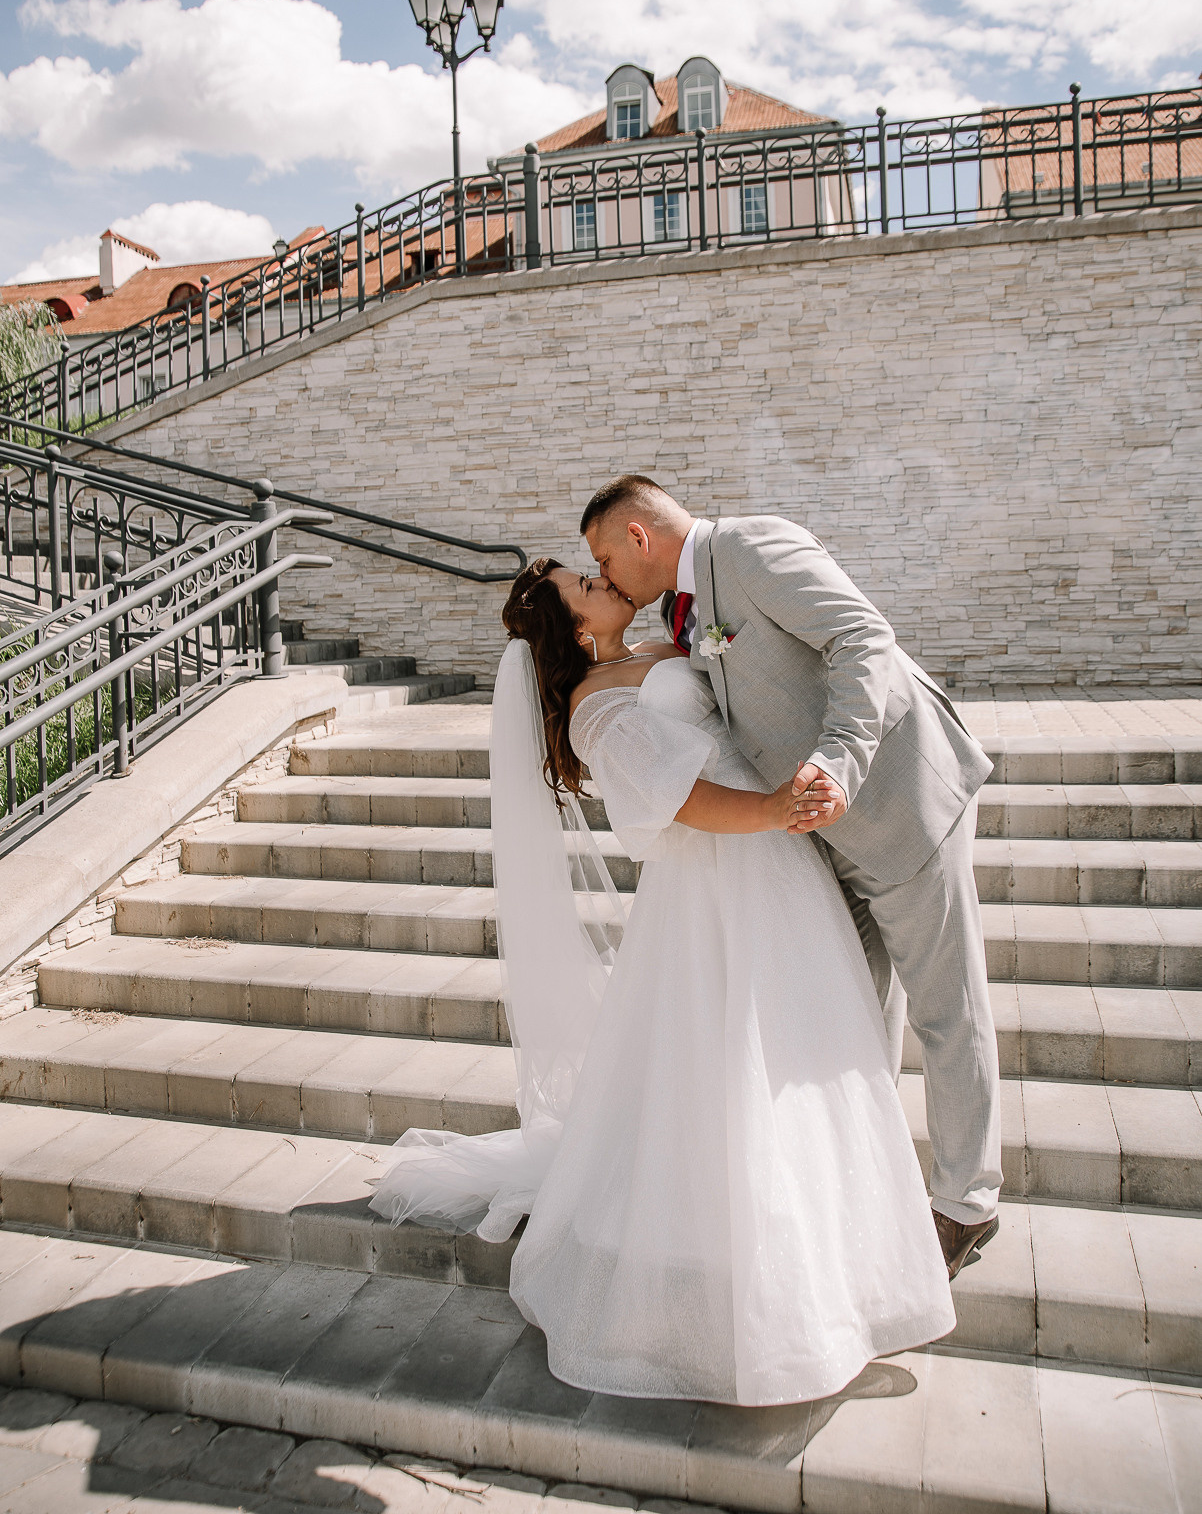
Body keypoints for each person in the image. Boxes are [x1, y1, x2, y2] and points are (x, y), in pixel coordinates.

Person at [370, 555, 955, 1406]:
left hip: (781, 868)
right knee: (731, 1057)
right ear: (576, 628)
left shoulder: (660, 640)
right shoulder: (594, 709)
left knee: (801, 1045)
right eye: (585, 583)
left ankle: (839, 1255)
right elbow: (677, 798)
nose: (603, 579)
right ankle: (748, 1273)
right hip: (716, 878)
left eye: (596, 569)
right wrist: (772, 812)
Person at [580, 475, 1001, 1279]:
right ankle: (863, 1189)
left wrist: (838, 760)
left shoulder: (749, 545)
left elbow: (862, 640)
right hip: (822, 832)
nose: (602, 572)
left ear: (638, 537)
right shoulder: (683, 611)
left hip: (897, 798)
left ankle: (964, 1205)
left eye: (602, 555)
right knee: (851, 1005)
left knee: (947, 1012)